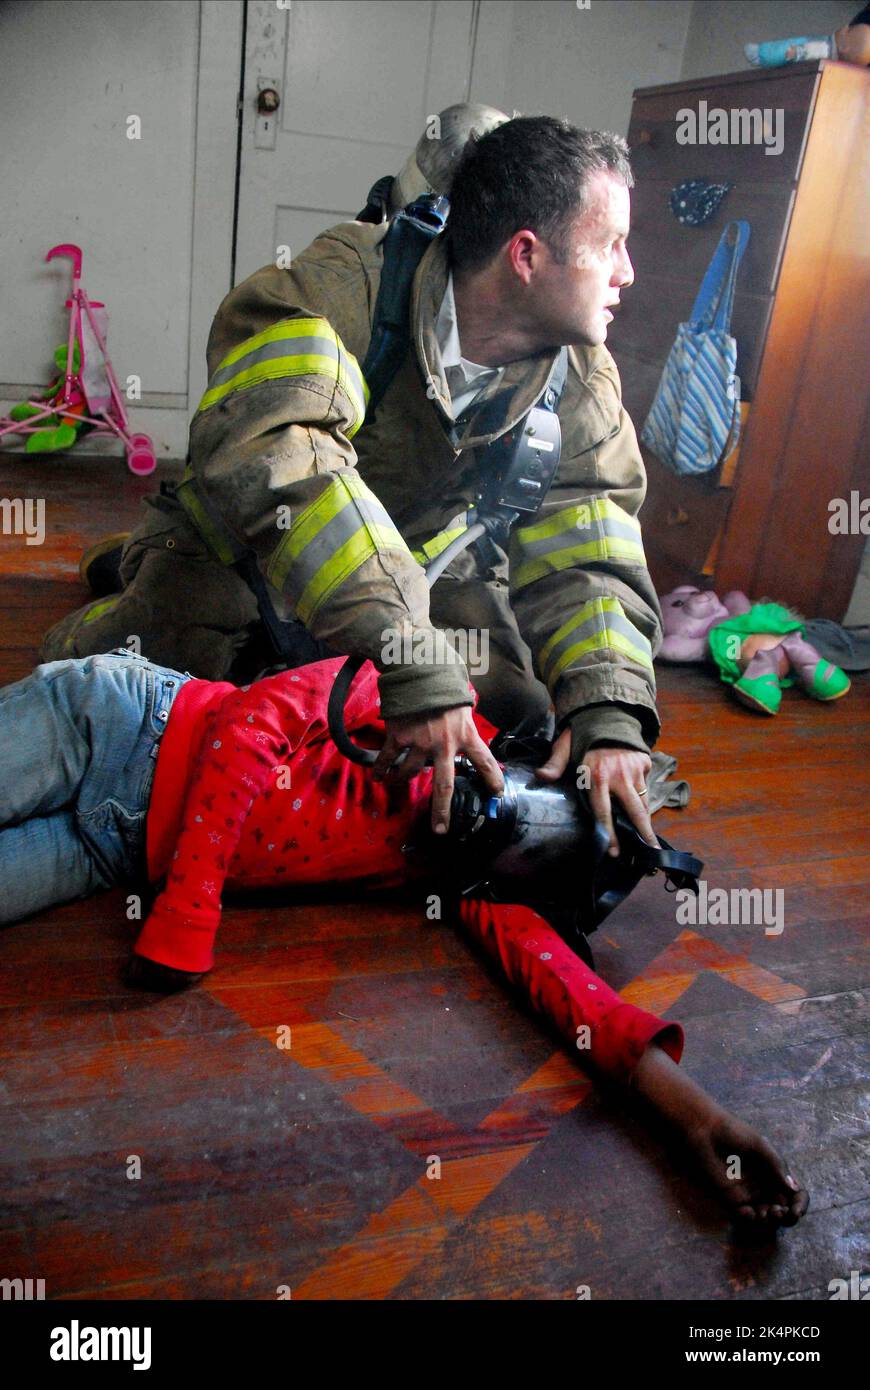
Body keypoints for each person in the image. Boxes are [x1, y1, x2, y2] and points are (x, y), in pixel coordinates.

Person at [0, 648, 808, 1231]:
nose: (528, 833)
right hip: (114, 724)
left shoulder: (466, 861)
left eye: (553, 849)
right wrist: (189, 910)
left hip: (110, 848)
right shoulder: (432, 701)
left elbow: (566, 986)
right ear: (537, 758)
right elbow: (252, 721)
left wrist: (697, 1117)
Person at [40, 114, 663, 854]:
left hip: (413, 563)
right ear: (525, 254)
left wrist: (609, 712)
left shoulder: (581, 376)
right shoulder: (337, 290)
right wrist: (411, 656)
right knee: (147, 699)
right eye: (610, 246)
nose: (628, 273)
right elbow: (286, 470)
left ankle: (165, 569)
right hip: (248, 547)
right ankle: (141, 567)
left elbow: (587, 549)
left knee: (515, 715)